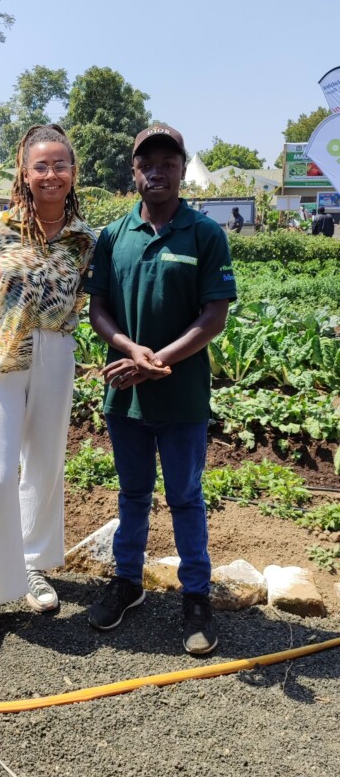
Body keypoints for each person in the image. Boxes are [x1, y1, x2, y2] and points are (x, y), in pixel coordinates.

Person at [86, 123, 237, 656]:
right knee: (131, 495)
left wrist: (161, 361)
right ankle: (127, 584)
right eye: (146, 162)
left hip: (182, 396)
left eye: (168, 162)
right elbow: (97, 307)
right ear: (134, 171)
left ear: (180, 168)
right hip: (124, 394)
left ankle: (196, 597)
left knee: (186, 498)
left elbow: (214, 315)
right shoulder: (113, 236)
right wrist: (130, 349)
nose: (157, 170)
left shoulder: (203, 234)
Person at [0, 123, 95, 651]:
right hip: (1, 356)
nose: (50, 174)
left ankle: (35, 566)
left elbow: (86, 296)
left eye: (59, 165)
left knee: (44, 468)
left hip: (56, 356)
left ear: (72, 172)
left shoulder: (86, 238)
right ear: (24, 171)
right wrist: (4, 331)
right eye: (40, 165)